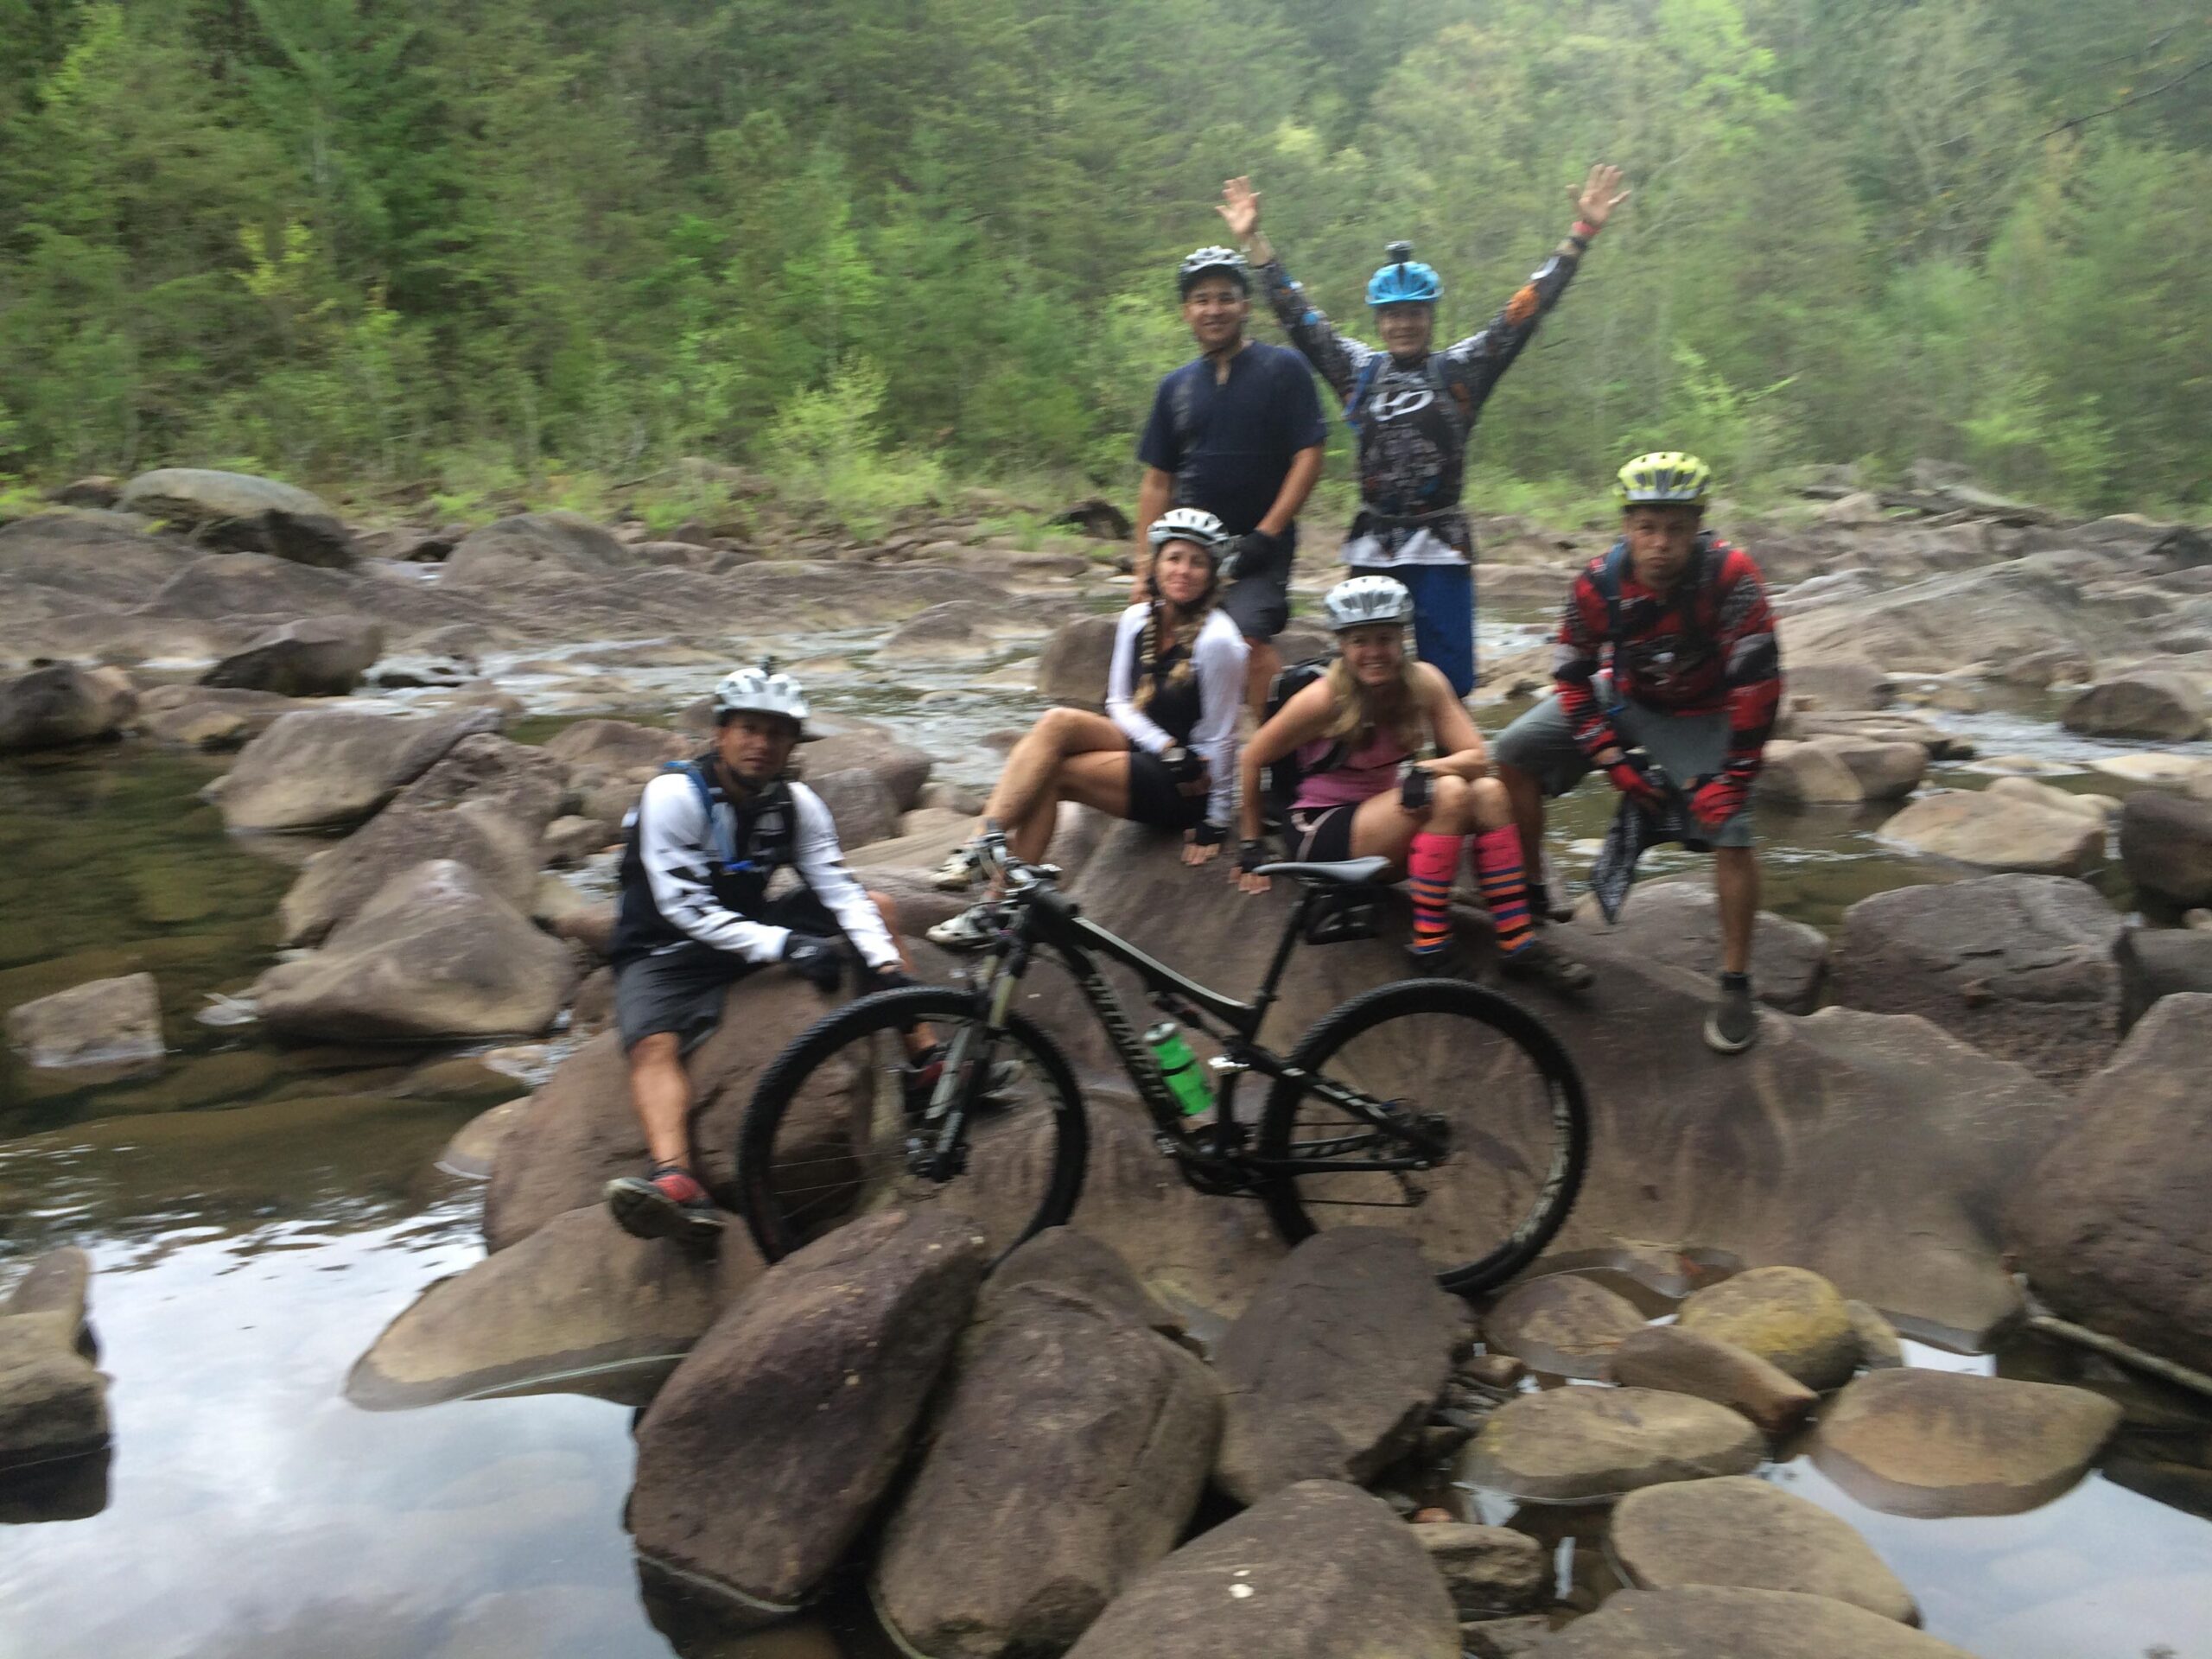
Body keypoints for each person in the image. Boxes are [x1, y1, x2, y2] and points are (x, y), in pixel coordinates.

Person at [1217, 165, 1630, 697]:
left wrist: (1581, 236)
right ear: (1378, 321)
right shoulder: (1357, 371)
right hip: (1374, 542)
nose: (1403, 324)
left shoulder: (1461, 371)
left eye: (1414, 313)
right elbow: (1298, 315)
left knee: (1448, 677)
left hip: (1441, 543)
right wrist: (1254, 240)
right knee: (1361, 675)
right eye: (1392, 316)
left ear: (1430, 316)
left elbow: (1522, 313)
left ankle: (1449, 767)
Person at [602, 664, 931, 1243]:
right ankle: (676, 1179)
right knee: (654, 1045)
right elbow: (686, 909)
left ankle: (927, 1063)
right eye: (749, 729)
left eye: (776, 734)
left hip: (748, 927)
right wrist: (786, 944)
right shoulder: (673, 795)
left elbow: (837, 890)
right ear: (721, 733)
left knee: (877, 908)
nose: (762, 745)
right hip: (663, 948)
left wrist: (884, 970)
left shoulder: (797, 805)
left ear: (792, 745)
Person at [1492, 453, 1783, 1053]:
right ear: (1626, 527)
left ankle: (1734, 981)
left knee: (1732, 827)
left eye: (1676, 528)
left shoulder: (1731, 576)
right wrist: (1612, 761)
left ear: (1698, 526)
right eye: (1647, 528)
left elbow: (1759, 682)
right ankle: (1529, 891)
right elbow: (1571, 676)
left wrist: (1733, 776)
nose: (1661, 544)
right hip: (1625, 696)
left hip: (1704, 711)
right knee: (1512, 751)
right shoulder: (1598, 583)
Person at [1235, 575, 1590, 989]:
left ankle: (1517, 943)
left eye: (1384, 639)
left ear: (1401, 640)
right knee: (1453, 792)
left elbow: (1477, 757)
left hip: (1382, 823)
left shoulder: (1423, 682)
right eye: (1359, 642)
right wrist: (1250, 846)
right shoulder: (1322, 698)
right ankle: (1430, 941)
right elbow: (1252, 757)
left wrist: (1428, 770)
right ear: (1342, 646)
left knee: (1490, 792)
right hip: (1320, 827)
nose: (1373, 653)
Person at [930, 509, 1248, 946]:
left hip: (1187, 782)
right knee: (1056, 721)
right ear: (1156, 564)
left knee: (1053, 775)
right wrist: (1164, 745)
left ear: (1213, 574)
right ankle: (981, 844)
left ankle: (993, 908)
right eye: (1174, 558)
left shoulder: (1220, 641)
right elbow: (1118, 701)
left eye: (1197, 562)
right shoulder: (1138, 619)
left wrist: (1215, 820)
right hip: (1154, 749)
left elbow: (1222, 736)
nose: (1184, 571)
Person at [1135, 244, 1328, 715]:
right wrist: (1145, 564)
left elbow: (1309, 455)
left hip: (1259, 548)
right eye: (1202, 300)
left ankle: (1262, 756)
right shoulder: (1175, 387)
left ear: (1245, 305)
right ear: (1187, 311)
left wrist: (1268, 533)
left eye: (1225, 298)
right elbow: (1157, 480)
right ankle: (1170, 751)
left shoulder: (1283, 369)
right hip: (1188, 551)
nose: (1214, 309)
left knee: (1245, 640)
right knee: (1152, 640)